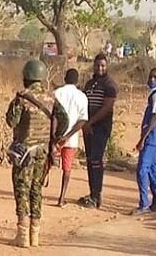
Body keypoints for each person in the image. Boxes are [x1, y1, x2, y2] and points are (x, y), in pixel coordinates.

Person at [6, 60, 68, 248]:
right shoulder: (51, 99)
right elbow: (64, 120)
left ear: (26, 77)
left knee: (22, 189)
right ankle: (35, 234)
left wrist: (17, 104)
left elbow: (11, 121)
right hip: (43, 150)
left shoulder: (22, 98)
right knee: (36, 189)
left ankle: (22, 234)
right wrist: (55, 138)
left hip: (25, 152)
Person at [80, 53, 118, 208]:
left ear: (107, 66)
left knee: (96, 160)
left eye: (102, 65)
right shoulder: (89, 84)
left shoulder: (110, 85)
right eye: (97, 65)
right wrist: (84, 124)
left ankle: (97, 196)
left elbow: (107, 107)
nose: (99, 68)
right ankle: (92, 193)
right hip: (88, 127)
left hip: (101, 127)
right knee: (90, 160)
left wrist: (91, 122)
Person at [53, 69, 88, 207]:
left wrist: (56, 135)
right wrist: (68, 135)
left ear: (65, 78)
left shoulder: (57, 93)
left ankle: (37, 191)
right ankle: (61, 197)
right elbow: (83, 120)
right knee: (67, 169)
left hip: (55, 136)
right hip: (71, 139)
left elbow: (52, 115)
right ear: (77, 80)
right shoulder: (82, 97)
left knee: (47, 164)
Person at [134, 68, 156, 215]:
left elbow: (154, 116)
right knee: (152, 169)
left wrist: (143, 137)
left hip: (152, 137)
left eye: (155, 77)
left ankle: (144, 203)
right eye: (150, 77)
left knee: (142, 169)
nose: (152, 80)